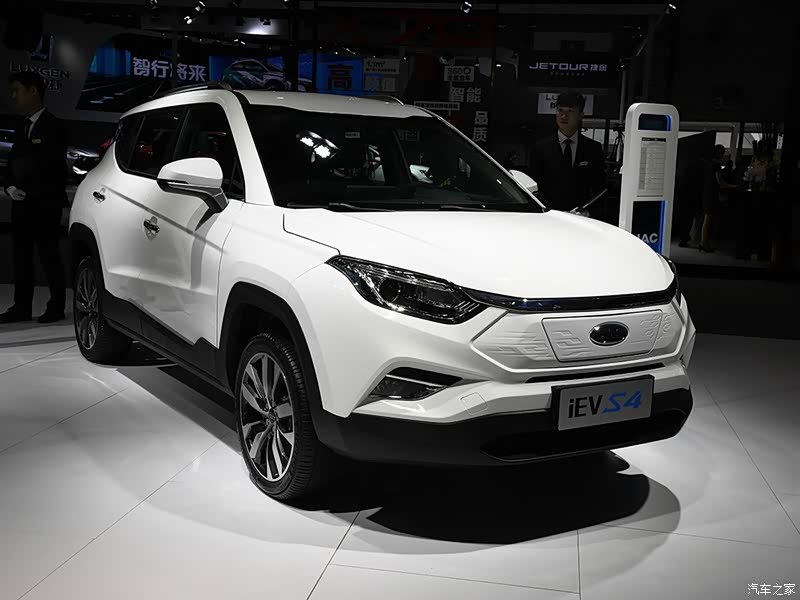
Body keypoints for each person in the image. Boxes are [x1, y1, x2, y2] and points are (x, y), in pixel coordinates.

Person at [1, 71, 68, 324]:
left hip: (45, 203)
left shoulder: (55, 126)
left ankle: (56, 306)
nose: (13, 96)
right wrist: (9, 187)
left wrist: (29, 189)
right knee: (21, 257)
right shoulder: (22, 126)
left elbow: (53, 168)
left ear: (33, 91)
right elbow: (12, 164)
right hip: (21, 204)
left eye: (17, 90)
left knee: (49, 255)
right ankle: (21, 307)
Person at [528, 91, 606, 212]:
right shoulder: (540, 148)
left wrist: (588, 211)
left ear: (581, 115)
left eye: (570, 111)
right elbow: (534, 187)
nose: (564, 116)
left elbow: (600, 189)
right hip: (549, 215)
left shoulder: (593, 149)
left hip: (581, 216)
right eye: (560, 110)